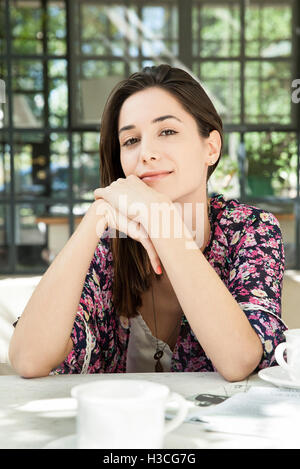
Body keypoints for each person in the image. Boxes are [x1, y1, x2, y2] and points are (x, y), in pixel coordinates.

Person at [9, 64, 287, 381]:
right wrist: (94, 217)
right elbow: (29, 360)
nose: (147, 153)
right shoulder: (107, 243)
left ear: (210, 148)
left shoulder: (251, 229)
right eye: (130, 140)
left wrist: (162, 220)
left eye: (167, 132)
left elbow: (240, 361)